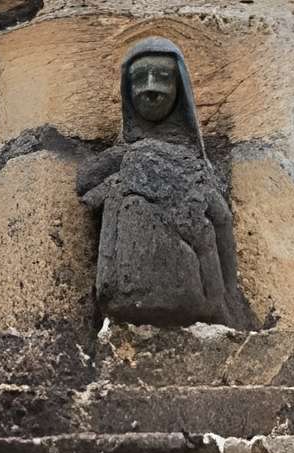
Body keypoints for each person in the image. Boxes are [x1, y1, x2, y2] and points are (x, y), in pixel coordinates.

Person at [77, 39, 253, 330]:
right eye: (140, 79)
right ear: (127, 89)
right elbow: (85, 183)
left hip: (192, 290)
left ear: (179, 87)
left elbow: (221, 219)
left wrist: (228, 295)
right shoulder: (124, 157)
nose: (150, 88)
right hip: (124, 284)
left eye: (162, 78)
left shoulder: (197, 166)